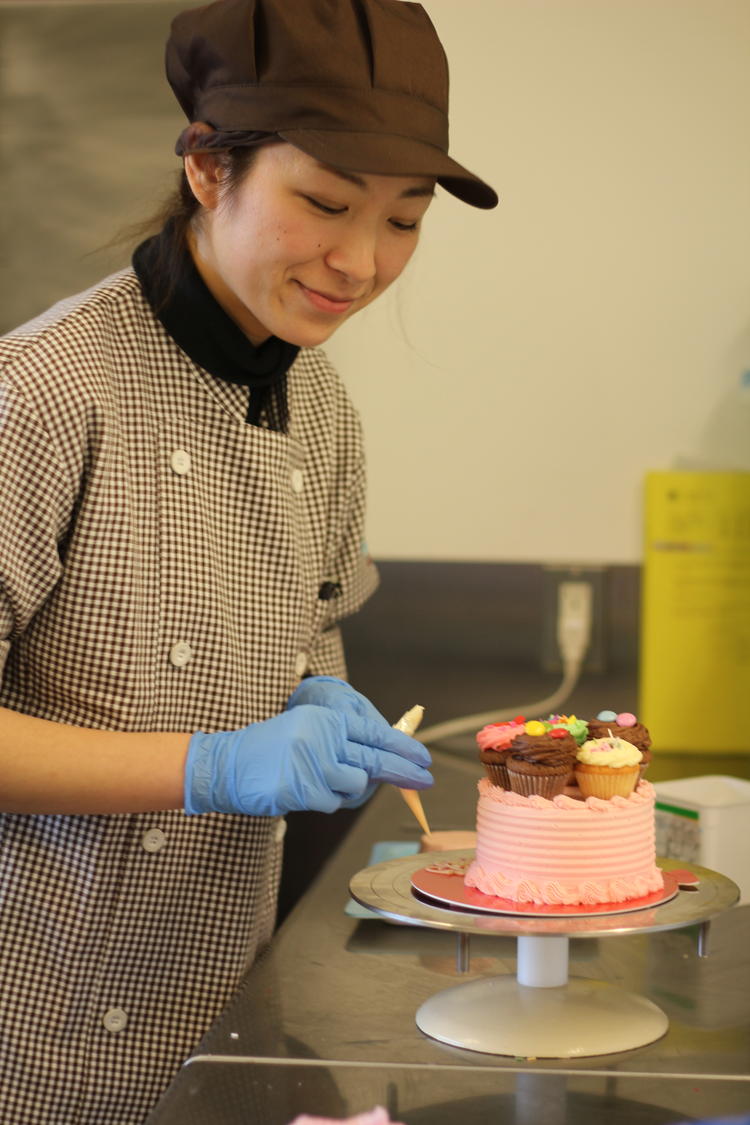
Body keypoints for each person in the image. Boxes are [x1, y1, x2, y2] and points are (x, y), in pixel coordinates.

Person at [0, 0, 497, 1121]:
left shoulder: (323, 414)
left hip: (218, 1003)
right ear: (207, 168)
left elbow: (308, 634)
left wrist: (318, 690)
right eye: (324, 203)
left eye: (404, 219)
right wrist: (212, 766)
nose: (361, 262)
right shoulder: (43, 393)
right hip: (32, 1027)